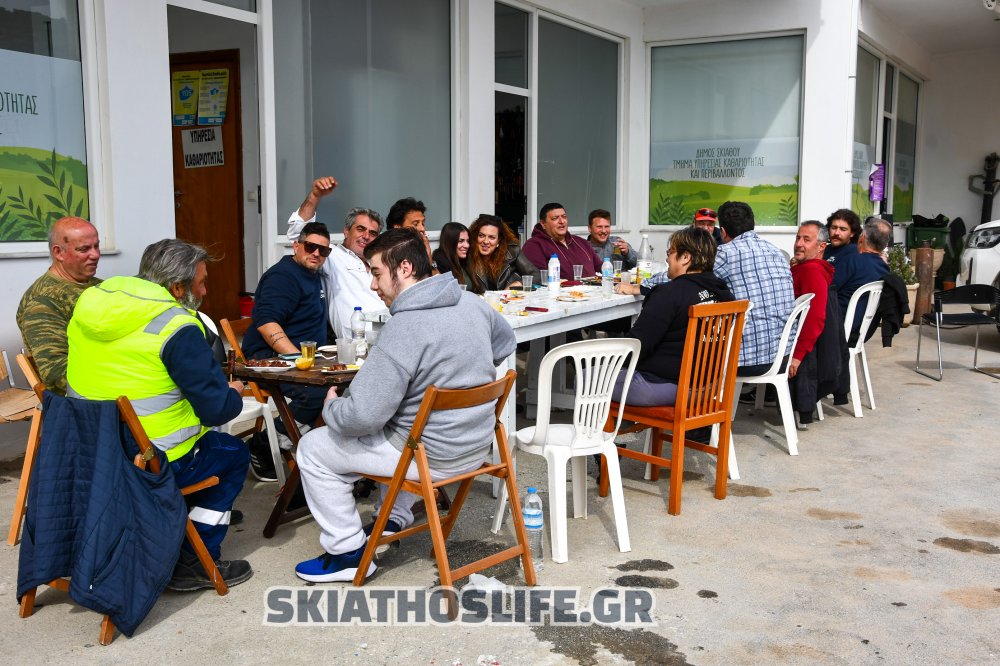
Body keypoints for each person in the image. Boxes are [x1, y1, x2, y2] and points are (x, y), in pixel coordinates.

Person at [293, 228, 516, 582]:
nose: (373, 285)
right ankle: (394, 516)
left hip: (431, 457)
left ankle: (346, 550)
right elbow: (506, 342)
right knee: (399, 419)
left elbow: (362, 417)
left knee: (312, 448)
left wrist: (331, 408)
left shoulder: (404, 327)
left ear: (406, 269)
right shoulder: (473, 303)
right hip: (475, 447)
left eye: (377, 273)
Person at [66, 239, 252, 591]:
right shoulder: (176, 326)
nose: (205, 290)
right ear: (177, 288)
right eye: (200, 282)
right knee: (232, 453)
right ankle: (194, 561)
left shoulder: (91, 303)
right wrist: (233, 393)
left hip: (89, 456)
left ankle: (169, 524)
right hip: (150, 460)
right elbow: (216, 411)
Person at [242, 220, 331, 476]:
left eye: (323, 250)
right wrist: (297, 360)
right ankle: (264, 445)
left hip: (307, 355)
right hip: (270, 357)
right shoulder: (283, 277)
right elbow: (266, 323)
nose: (316, 253)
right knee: (316, 392)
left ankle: (314, 451)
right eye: (310, 246)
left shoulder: (312, 274)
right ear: (296, 245)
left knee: (345, 387)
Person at [612, 227, 733, 406]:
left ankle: (605, 431)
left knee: (587, 378)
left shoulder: (670, 294)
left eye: (670, 252)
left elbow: (637, 344)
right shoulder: (723, 293)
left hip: (665, 386)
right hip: (709, 388)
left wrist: (610, 360)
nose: (667, 258)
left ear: (686, 258)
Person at [285, 177, 385, 341]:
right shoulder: (332, 256)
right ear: (346, 231)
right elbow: (299, 233)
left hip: (390, 332)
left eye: (372, 233)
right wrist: (315, 196)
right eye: (360, 229)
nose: (366, 236)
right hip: (357, 343)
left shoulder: (381, 260)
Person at [16, 217, 101, 395]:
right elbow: (56, 375)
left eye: (96, 246)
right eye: (84, 249)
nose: (95, 255)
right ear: (58, 253)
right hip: (85, 402)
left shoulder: (99, 286)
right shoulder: (43, 301)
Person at [713, 201, 795, 376]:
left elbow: (690, 278)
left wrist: (645, 285)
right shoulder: (776, 252)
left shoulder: (725, 253)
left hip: (748, 361)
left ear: (723, 232)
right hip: (783, 356)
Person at [788, 221, 838, 426]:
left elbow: (815, 318)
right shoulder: (805, 267)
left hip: (804, 348)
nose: (799, 243)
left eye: (806, 240)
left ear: (821, 247)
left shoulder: (812, 271)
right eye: (798, 238)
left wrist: (798, 356)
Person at [614, 207, 722, 296]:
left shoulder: (721, 248)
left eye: (710, 224)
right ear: (694, 223)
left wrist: (639, 289)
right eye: (702, 223)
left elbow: (677, 279)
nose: (705, 228)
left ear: (686, 257)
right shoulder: (722, 290)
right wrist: (640, 288)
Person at [832, 216, 892, 339]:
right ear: (885, 244)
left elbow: (828, 288)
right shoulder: (884, 267)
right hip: (863, 329)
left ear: (862, 238)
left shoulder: (852, 260)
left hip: (839, 328)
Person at [522, 203, 602, 279]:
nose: (561, 221)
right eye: (555, 218)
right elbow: (538, 278)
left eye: (564, 217)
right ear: (543, 224)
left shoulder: (581, 242)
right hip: (560, 293)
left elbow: (601, 269)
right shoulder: (534, 245)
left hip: (594, 291)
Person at [466, 214, 539, 293]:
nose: (486, 241)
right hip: (482, 303)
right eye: (481, 236)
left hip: (510, 302)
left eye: (492, 237)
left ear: (499, 240)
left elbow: (536, 275)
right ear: (474, 236)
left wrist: (519, 283)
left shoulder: (512, 251)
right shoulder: (466, 255)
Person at [386, 196, 435, 267]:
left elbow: (438, 277)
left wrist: (429, 258)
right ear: (398, 228)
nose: (422, 229)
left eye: (423, 223)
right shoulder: (388, 256)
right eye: (415, 224)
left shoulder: (419, 250)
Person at [433, 222, 471, 286]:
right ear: (450, 243)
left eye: (467, 241)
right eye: (461, 241)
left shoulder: (464, 260)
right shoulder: (440, 262)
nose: (466, 245)